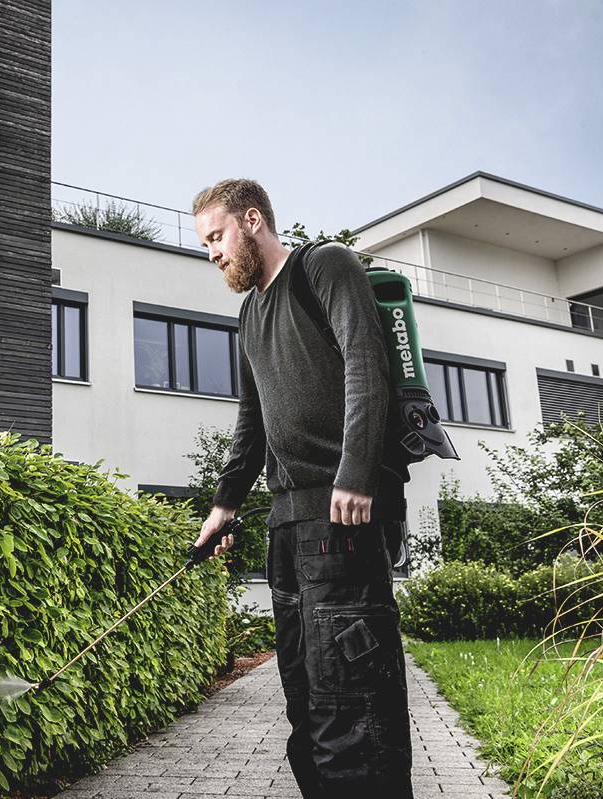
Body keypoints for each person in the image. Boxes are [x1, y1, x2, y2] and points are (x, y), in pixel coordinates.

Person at [191, 178, 412, 798]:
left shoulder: (326, 267)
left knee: (352, 706)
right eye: (205, 243)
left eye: (217, 236)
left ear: (252, 219)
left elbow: (367, 365)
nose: (211, 252)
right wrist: (223, 505)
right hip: (285, 528)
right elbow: (250, 418)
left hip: (342, 517)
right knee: (306, 704)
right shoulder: (249, 313)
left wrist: (357, 474)